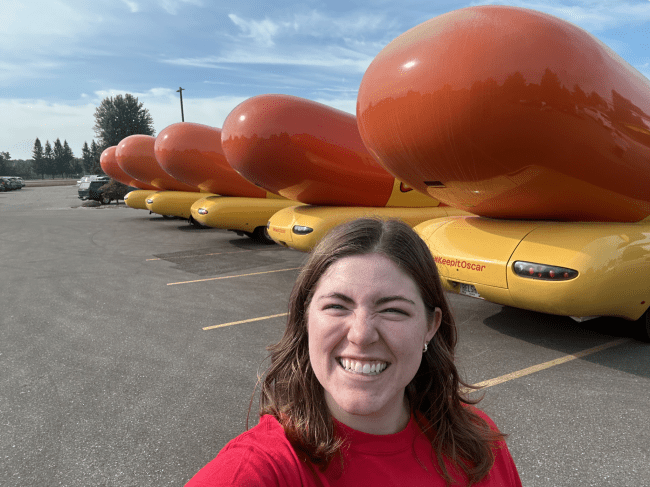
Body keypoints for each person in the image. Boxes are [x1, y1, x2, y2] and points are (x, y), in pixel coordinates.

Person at [187, 218, 522, 486]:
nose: (361, 335)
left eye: (393, 310)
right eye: (336, 306)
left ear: (430, 326)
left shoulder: (477, 442)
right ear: (306, 319)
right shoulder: (258, 471)